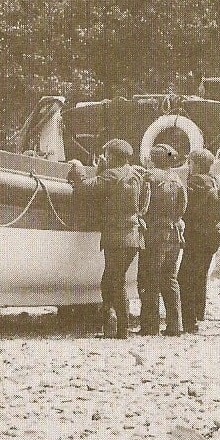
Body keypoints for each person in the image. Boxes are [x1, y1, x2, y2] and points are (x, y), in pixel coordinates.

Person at [67, 138, 148, 339]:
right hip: (133, 235)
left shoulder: (111, 175)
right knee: (111, 279)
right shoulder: (135, 174)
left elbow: (85, 188)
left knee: (115, 281)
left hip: (116, 236)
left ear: (113, 156)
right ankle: (113, 325)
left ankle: (120, 330)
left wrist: (77, 169)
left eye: (107, 155)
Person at [136, 143, 187, 335]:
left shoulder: (148, 177)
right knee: (170, 279)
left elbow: (141, 204)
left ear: (154, 159)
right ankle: (175, 325)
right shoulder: (177, 179)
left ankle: (150, 326)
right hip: (174, 234)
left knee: (149, 280)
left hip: (154, 235)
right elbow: (182, 208)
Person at [179, 148, 220, 333]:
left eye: (190, 162)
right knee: (201, 275)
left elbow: (185, 209)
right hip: (211, 237)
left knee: (185, 277)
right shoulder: (215, 183)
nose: (188, 166)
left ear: (196, 164)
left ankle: (189, 321)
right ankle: (199, 314)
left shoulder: (194, 184)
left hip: (195, 236)